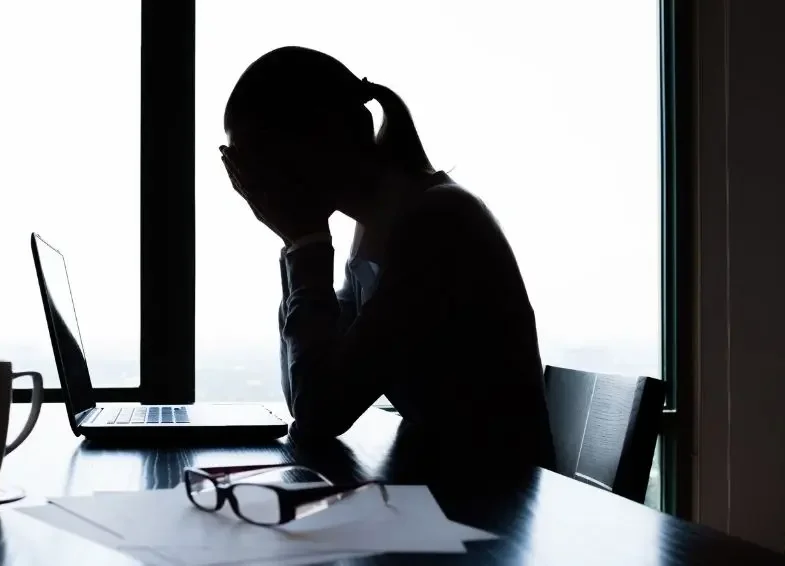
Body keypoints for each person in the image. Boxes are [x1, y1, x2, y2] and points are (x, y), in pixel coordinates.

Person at [219, 46, 556, 472]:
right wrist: (298, 245)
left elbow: (322, 411)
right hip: (457, 488)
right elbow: (309, 395)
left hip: (497, 503)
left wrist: (305, 243)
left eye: (259, 164)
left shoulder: (438, 221)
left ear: (325, 137)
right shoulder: (380, 225)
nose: (257, 187)